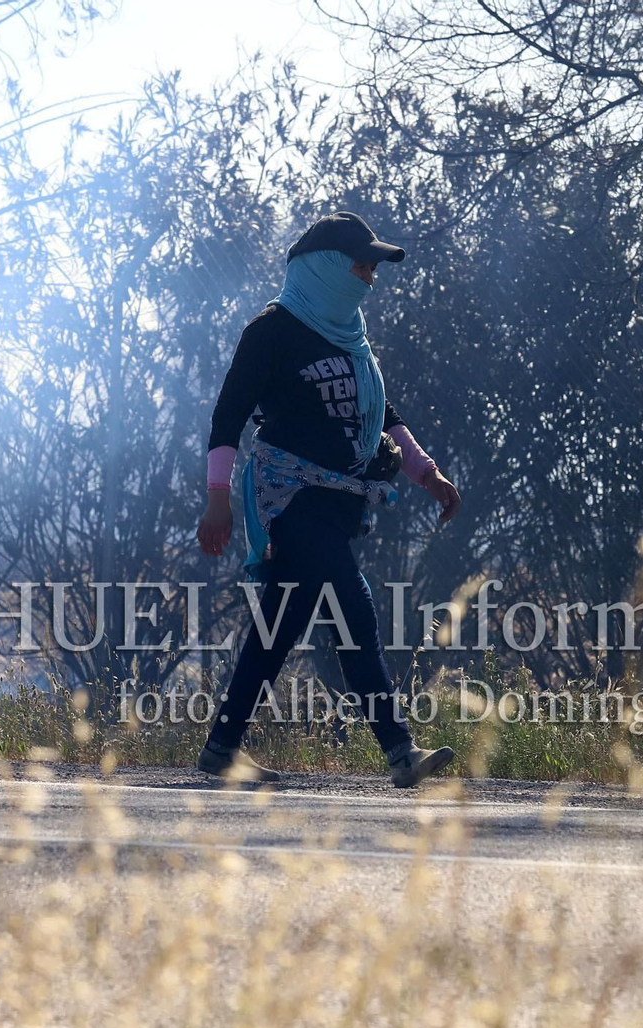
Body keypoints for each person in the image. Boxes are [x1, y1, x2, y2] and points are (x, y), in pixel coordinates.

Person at [196, 211, 462, 788]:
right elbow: (227, 417)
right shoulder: (271, 331)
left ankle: (221, 750)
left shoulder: (352, 335)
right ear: (323, 268)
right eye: (361, 264)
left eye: (372, 266)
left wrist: (427, 473)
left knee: (279, 628)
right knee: (354, 608)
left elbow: (381, 414)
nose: (370, 276)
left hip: (341, 505)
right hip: (289, 498)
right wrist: (218, 497)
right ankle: (400, 752)